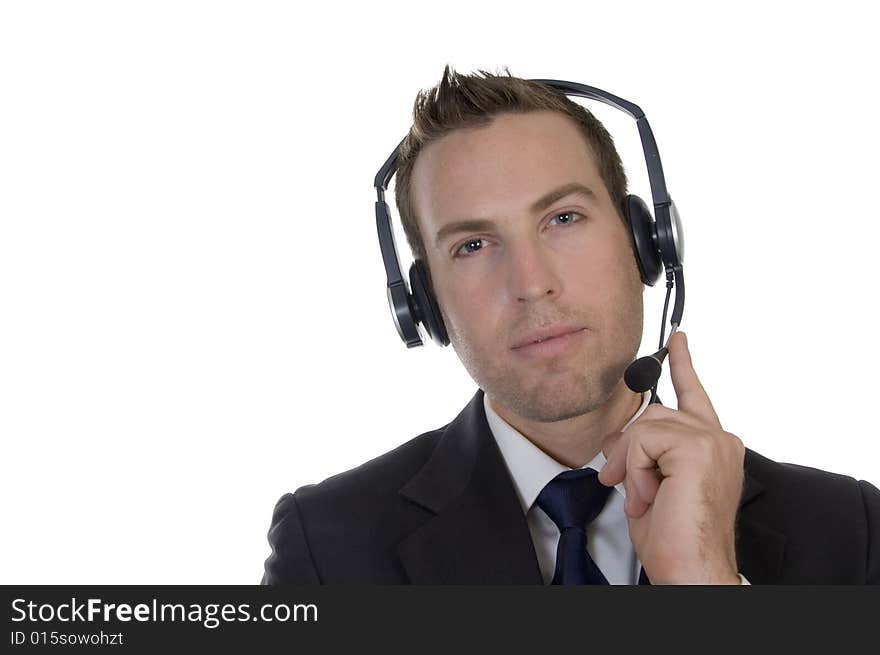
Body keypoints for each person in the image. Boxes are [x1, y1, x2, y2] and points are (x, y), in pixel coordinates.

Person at [261, 66, 880, 585]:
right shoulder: (326, 548)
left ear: (646, 244)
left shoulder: (850, 531)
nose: (531, 283)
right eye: (473, 245)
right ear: (424, 303)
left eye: (563, 218)